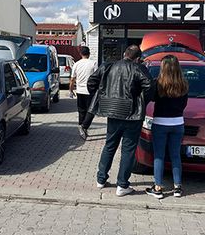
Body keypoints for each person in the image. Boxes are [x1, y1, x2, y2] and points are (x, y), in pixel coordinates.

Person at [87, 45, 152, 197]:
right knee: (128, 150)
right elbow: (149, 86)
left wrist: (103, 96)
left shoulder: (108, 66)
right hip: (132, 114)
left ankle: (101, 179)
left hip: (113, 111)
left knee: (110, 145)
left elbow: (91, 82)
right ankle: (122, 185)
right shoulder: (138, 68)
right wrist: (140, 102)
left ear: (124, 54)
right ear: (137, 58)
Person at [145, 55, 189, 199]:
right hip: (177, 122)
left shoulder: (158, 83)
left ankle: (158, 188)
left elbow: (150, 97)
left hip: (160, 122)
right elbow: (184, 104)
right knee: (175, 155)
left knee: (159, 156)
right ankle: (177, 187)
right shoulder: (184, 84)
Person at [69, 47, 98, 140]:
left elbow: (72, 78)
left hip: (80, 90)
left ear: (80, 54)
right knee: (91, 110)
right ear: (89, 54)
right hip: (90, 90)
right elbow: (96, 77)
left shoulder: (76, 64)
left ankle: (82, 128)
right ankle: (84, 127)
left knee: (81, 110)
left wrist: (71, 90)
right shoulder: (93, 63)